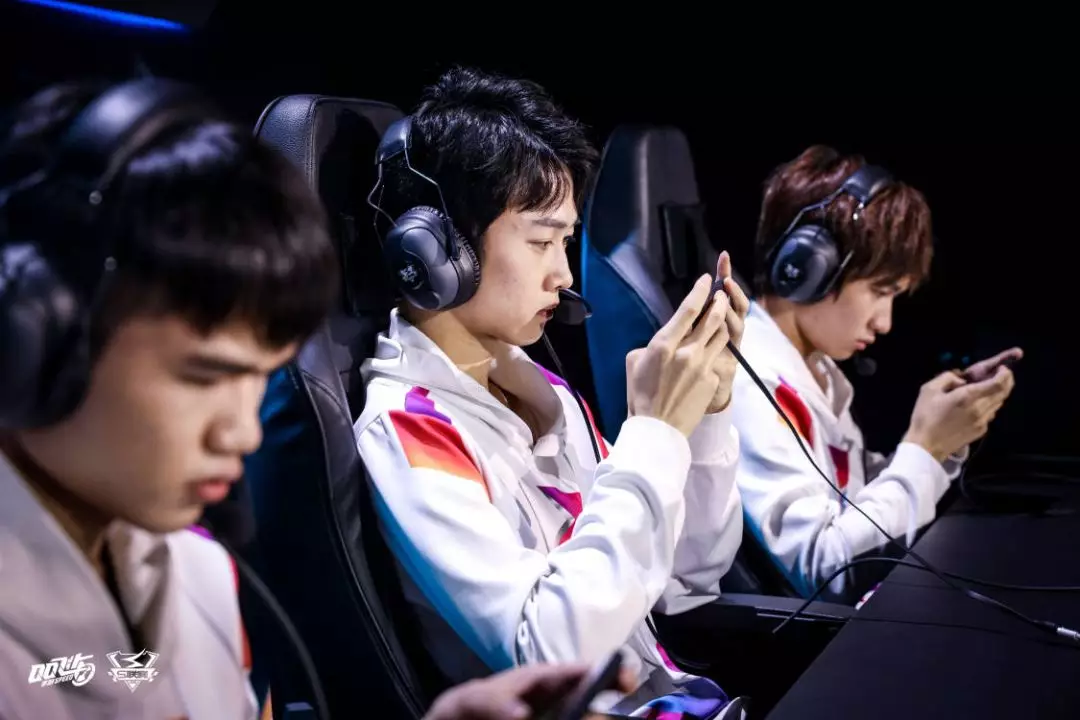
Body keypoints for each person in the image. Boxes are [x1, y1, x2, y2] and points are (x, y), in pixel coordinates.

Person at [0, 78, 607, 720]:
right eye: (203, 377)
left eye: (255, 381)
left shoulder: (199, 578)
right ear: (34, 339)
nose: (242, 434)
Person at [355, 66, 750, 719]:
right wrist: (653, 433)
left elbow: (689, 575)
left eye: (566, 242)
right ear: (439, 248)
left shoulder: (548, 397)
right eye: (541, 241)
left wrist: (701, 417)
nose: (564, 274)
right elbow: (555, 650)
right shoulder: (409, 429)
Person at [729, 145, 1019, 602]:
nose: (885, 323)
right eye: (880, 292)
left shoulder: (818, 372)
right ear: (807, 267)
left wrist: (942, 441)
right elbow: (827, 568)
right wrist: (923, 448)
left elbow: (851, 499)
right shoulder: (749, 382)